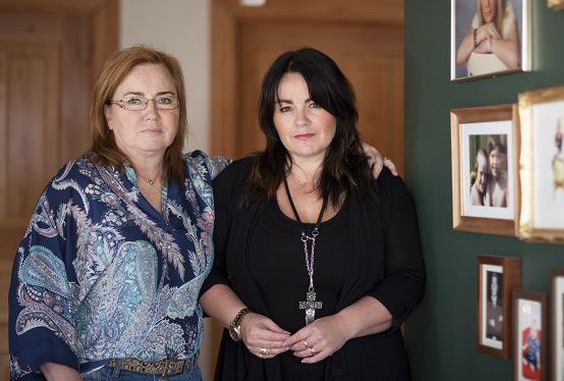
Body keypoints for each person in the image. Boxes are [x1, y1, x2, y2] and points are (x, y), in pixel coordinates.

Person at [7, 45, 393, 381]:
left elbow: (294, 163)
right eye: (134, 100)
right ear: (108, 114)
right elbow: (38, 300)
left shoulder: (205, 179)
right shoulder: (74, 187)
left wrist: (352, 152)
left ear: (179, 110)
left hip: (185, 373)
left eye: (165, 99)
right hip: (103, 374)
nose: (151, 113)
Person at [199, 48, 425, 380]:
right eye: (286, 108)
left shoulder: (381, 186)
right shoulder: (235, 185)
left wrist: (343, 326)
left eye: (314, 104)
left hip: (364, 367)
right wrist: (240, 321)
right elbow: (204, 272)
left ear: (338, 108)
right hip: (257, 370)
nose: (300, 121)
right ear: (272, 118)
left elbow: (408, 279)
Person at [455, 0, 521, 77]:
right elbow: (459, 57)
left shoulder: (506, 7)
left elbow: (515, 59)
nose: (487, 3)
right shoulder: (479, 15)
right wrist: (482, 31)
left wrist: (490, 44)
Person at [485, 136, 508, 207]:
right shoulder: (486, 181)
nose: (495, 162)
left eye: (498, 157)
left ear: (505, 160)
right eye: (492, 156)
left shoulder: (508, 185)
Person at [552, 119, 564, 201]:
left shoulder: (559, 144)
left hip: (559, 159)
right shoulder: (560, 180)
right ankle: (559, 123)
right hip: (559, 159)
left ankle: (559, 123)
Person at [485, 272, 503, 343]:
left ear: (498, 287)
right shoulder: (485, 303)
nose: (494, 287)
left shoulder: (502, 305)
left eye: (496, 284)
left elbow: (500, 328)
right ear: (490, 286)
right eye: (492, 284)